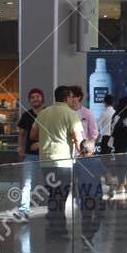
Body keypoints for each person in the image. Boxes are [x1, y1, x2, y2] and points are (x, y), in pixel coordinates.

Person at [35, 85, 83, 236]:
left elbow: (32, 134)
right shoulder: (71, 114)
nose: (72, 99)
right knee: (61, 196)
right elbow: (78, 138)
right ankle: (57, 229)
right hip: (63, 162)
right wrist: (81, 149)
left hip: (45, 161)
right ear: (67, 98)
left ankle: (54, 228)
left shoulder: (43, 113)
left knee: (53, 194)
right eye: (71, 97)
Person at [15, 86, 45, 217]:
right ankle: (23, 209)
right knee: (27, 183)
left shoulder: (48, 113)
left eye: (37, 96)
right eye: (32, 97)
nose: (35, 99)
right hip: (30, 155)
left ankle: (56, 207)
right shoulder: (26, 116)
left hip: (48, 155)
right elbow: (21, 134)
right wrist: (20, 148)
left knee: (53, 181)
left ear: (42, 98)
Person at [74, 138, 105, 250]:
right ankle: (89, 235)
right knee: (99, 215)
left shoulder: (78, 163)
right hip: (97, 194)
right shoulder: (97, 161)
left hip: (84, 195)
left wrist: (76, 195)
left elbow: (75, 180)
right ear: (93, 150)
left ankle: (87, 237)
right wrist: (111, 187)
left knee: (86, 217)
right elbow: (106, 175)